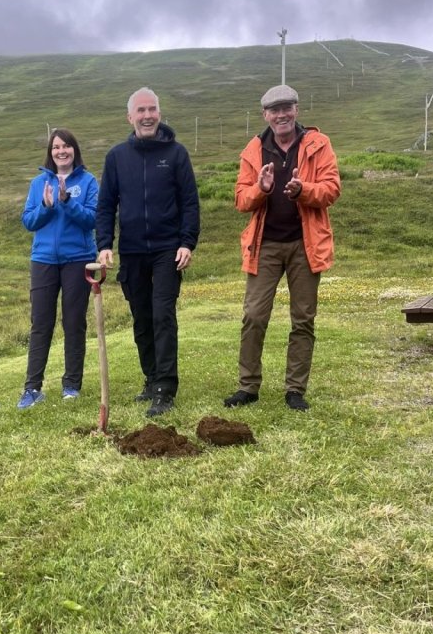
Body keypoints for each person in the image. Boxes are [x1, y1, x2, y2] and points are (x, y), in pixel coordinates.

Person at [224, 84, 341, 412]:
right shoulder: (253, 150)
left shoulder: (319, 143)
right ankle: (248, 387)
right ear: (265, 115)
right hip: (265, 245)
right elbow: (241, 200)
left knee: (303, 318)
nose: (281, 115)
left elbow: (332, 189)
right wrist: (261, 189)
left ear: (296, 110)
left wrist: (304, 190)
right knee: (253, 315)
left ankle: (295, 390)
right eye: (274, 110)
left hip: (306, 244)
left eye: (287, 108)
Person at [96, 87, 200, 418]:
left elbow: (189, 202)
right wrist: (104, 244)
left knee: (162, 315)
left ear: (159, 113)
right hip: (132, 250)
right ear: (130, 117)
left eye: (152, 109)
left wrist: (187, 242)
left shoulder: (176, 154)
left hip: (168, 249)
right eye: (140, 110)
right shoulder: (116, 157)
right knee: (142, 317)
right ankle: (152, 378)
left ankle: (165, 388)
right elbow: (106, 205)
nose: (147, 115)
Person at [17, 128, 99, 409]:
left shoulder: (88, 181)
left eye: (66, 146)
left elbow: (92, 220)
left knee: (74, 323)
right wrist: (47, 205)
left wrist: (68, 202)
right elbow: (29, 221)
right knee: (41, 324)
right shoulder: (39, 183)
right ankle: (32, 388)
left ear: (74, 150)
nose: (61, 151)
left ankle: (71, 385)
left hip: (78, 259)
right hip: (43, 260)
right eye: (56, 147)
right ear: (50, 152)